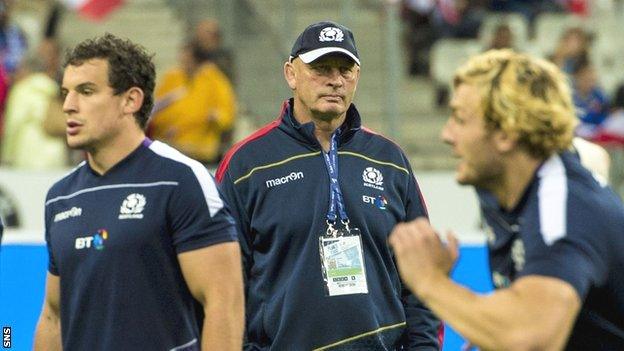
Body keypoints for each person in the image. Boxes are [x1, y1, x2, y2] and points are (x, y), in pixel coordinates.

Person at [216, 21, 441, 350]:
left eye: (345, 69)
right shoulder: (246, 164)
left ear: (357, 78)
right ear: (291, 74)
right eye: (321, 68)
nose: (335, 80)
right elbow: (224, 284)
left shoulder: (390, 161)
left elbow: (423, 279)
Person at [389, 49, 624, 350]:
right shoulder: (506, 189)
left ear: (506, 134)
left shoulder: (560, 209)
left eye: (460, 119)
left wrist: (429, 281)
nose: (447, 134)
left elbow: (531, 339)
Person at [33, 33, 244, 350]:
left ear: (131, 100)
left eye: (86, 91)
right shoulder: (60, 197)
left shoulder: (181, 180)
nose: (68, 106)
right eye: (65, 93)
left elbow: (223, 303)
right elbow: (52, 315)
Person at [149, 40, 237, 166]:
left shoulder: (215, 80)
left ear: (197, 61)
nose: (183, 63)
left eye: (187, 60)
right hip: (169, 145)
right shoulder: (172, 77)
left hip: (201, 149)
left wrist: (215, 117)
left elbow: (226, 115)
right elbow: (155, 109)